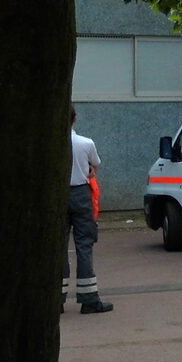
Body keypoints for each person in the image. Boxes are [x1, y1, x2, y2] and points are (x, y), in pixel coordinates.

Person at [64, 108, 113, 314]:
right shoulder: (86, 143)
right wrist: (88, 170)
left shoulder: (49, 144)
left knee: (58, 248)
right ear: (75, 119)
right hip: (81, 194)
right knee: (84, 245)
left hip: (57, 196)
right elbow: (95, 166)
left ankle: (55, 299)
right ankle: (89, 299)